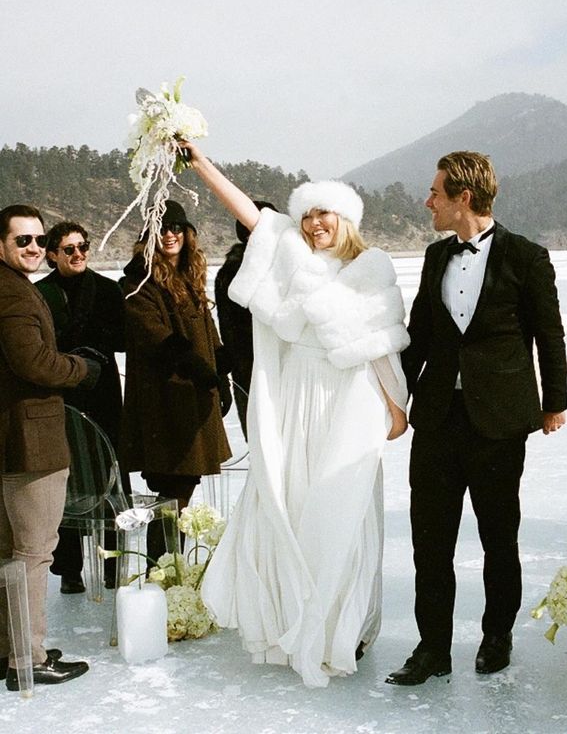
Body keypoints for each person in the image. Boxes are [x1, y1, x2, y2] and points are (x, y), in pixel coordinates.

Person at [181, 141, 410, 688]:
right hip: (298, 396)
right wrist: (201, 163)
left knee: (344, 511)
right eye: (306, 215)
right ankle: (295, 620)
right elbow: (252, 215)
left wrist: (395, 406)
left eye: (323, 213)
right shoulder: (292, 258)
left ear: (346, 218)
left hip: (351, 399)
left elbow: (380, 346)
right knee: (295, 501)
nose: (312, 224)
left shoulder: (371, 268)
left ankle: (340, 626)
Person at [386, 151, 567, 686]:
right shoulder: (434, 256)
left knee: (498, 538)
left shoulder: (528, 257)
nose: (428, 202)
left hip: (499, 422)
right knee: (431, 540)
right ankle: (432, 648)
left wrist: (553, 402)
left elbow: (548, 335)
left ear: (463, 197)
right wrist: (392, 395)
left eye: (435, 193)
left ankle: (496, 636)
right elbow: (419, 333)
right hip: (437, 418)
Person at [0, 203, 97, 689]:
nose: (35, 248)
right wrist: (82, 369)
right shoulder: (15, 295)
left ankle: (11, 649)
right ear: (1, 244)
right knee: (34, 553)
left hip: (11, 439)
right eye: (24, 241)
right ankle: (28, 659)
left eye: (39, 240)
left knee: (11, 552)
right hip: (30, 442)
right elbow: (34, 363)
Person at [118, 200, 232, 562]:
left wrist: (222, 377)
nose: (169, 234)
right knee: (172, 494)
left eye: (176, 227)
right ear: (149, 234)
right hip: (164, 405)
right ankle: (164, 570)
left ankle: (169, 568)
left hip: (194, 399)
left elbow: (208, 333)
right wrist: (201, 372)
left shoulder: (189, 275)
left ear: (187, 233)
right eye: (162, 228)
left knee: (180, 493)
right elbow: (156, 336)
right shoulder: (138, 281)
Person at [36, 221, 126, 594]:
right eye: (69, 249)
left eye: (83, 247)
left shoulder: (107, 290)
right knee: (66, 481)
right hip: (61, 396)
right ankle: (69, 569)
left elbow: (123, 340)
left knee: (110, 479)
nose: (78, 255)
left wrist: (95, 346)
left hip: (102, 394)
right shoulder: (40, 294)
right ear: (52, 254)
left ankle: (111, 566)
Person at [214, 204, 276, 439]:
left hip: (289, 373)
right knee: (265, 445)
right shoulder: (233, 273)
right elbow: (230, 334)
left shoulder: (293, 265)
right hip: (253, 376)